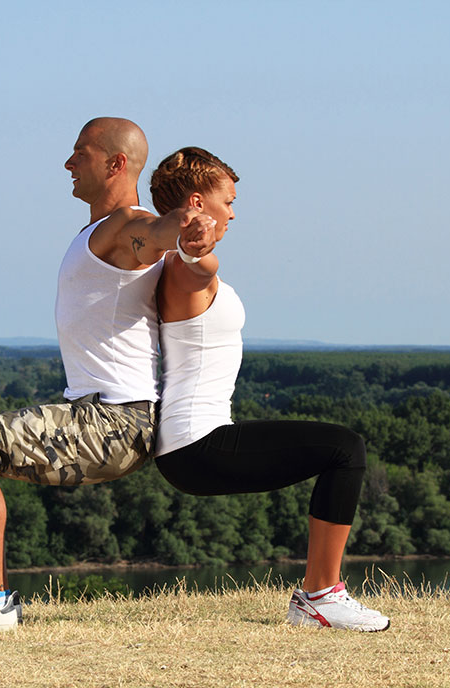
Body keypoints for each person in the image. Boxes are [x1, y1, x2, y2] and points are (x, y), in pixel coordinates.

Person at [0, 119, 217, 631]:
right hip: (100, 415)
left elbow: (154, 236)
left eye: (81, 153)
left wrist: (185, 230)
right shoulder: (99, 230)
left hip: (115, 422)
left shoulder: (126, 226)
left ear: (116, 164)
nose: (68, 163)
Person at [150, 146, 390, 632]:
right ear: (197, 204)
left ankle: (320, 594)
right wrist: (200, 249)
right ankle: (321, 596)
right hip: (198, 445)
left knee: (341, 449)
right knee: (345, 449)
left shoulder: (172, 265)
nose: (234, 212)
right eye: (228, 200)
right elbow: (200, 269)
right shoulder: (182, 268)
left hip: (194, 445)